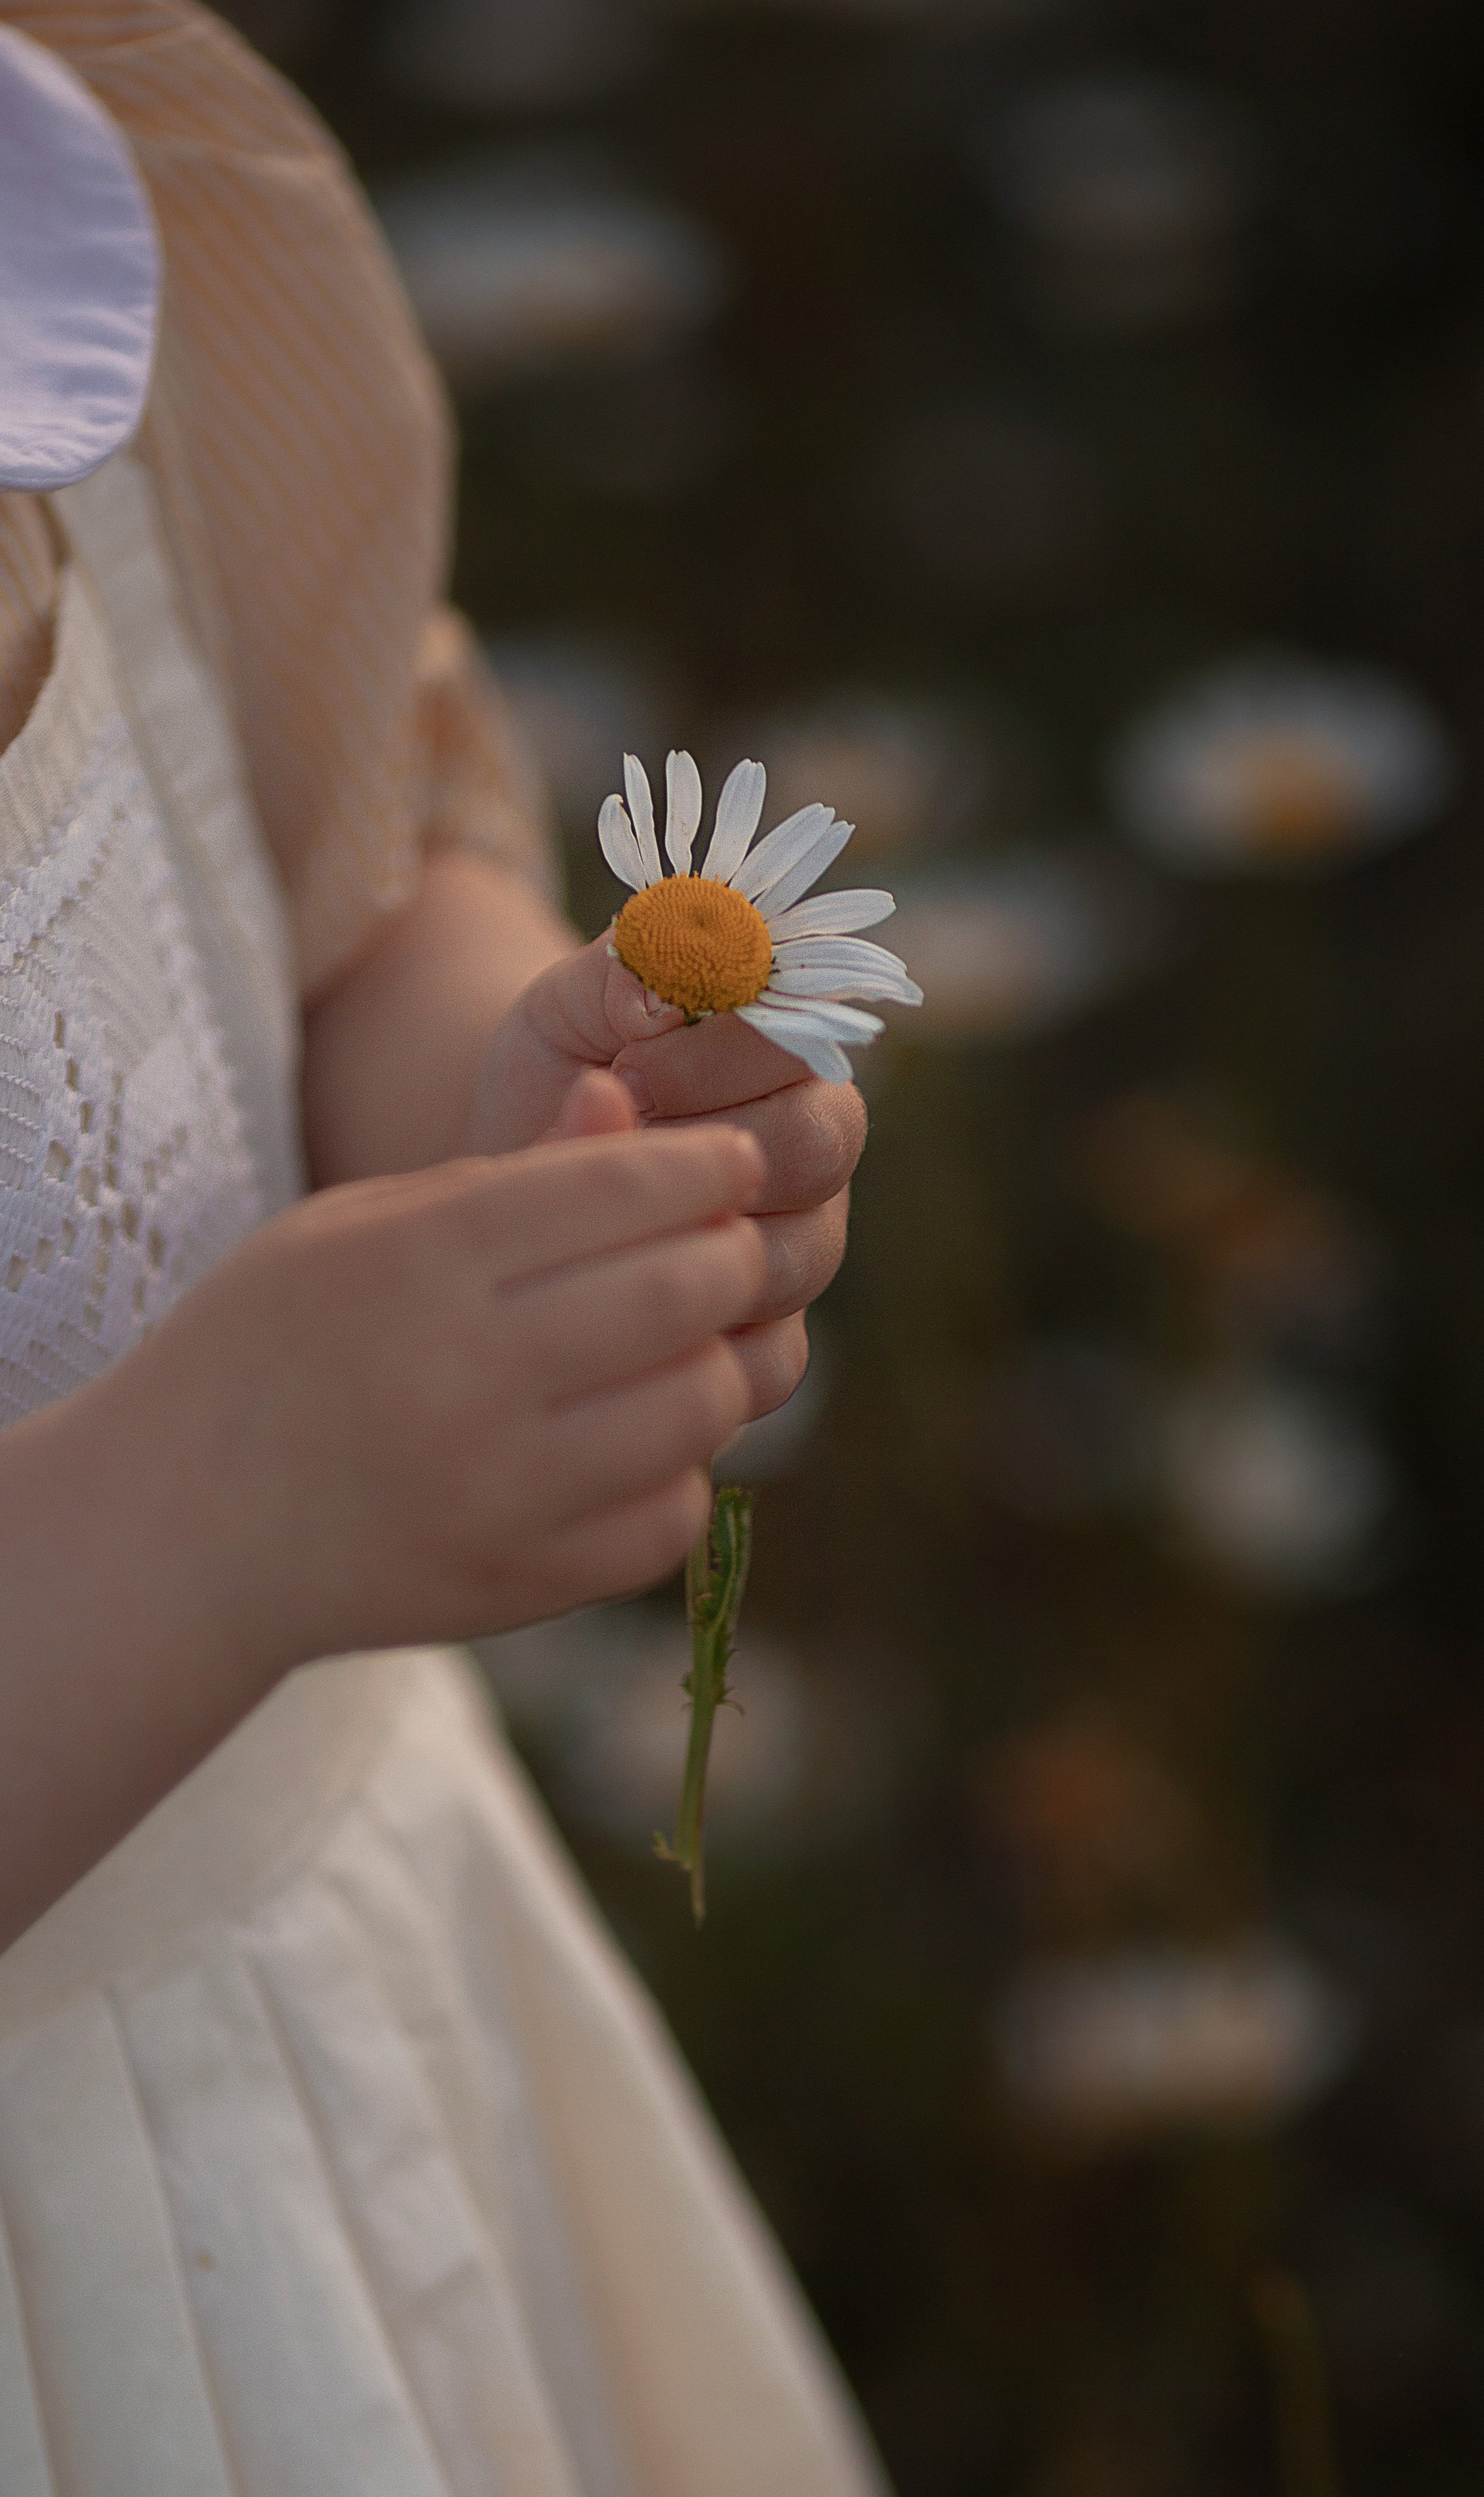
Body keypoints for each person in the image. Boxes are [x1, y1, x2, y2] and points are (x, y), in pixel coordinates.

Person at [0, 8, 887, 2491]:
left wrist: (515, 1098)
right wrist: (212, 1505)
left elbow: (319, 871)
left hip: (344, 2117)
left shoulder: (87, 180)